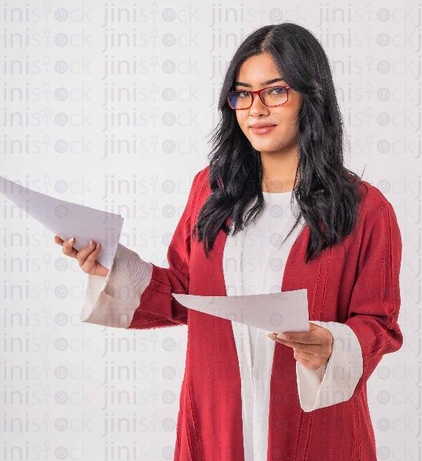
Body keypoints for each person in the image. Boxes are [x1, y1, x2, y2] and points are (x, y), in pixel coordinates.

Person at [55, 23, 402, 461]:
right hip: (216, 415)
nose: (256, 109)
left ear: (311, 97)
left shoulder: (365, 208)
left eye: (274, 91)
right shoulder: (210, 191)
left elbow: (379, 322)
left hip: (315, 424)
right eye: (242, 94)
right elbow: (183, 293)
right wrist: (111, 266)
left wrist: (333, 343)